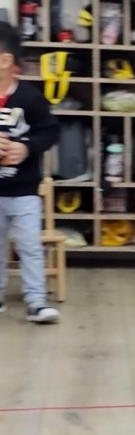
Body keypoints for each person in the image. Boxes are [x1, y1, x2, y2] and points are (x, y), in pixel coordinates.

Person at [0, 24, 60, 324]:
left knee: (30, 246)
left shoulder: (30, 97)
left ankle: (36, 300)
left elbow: (50, 132)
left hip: (24, 190)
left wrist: (26, 148)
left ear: (5, 60)